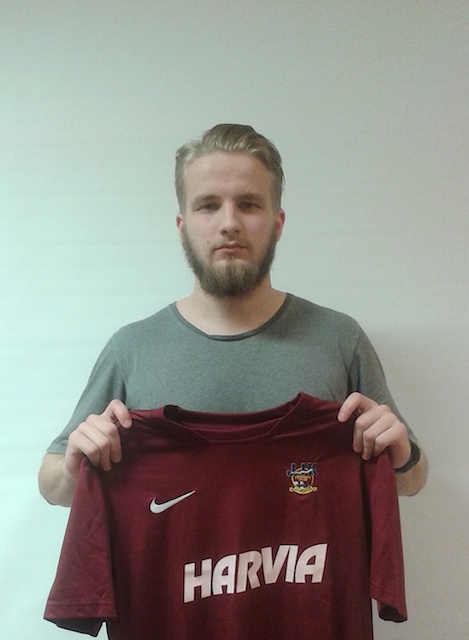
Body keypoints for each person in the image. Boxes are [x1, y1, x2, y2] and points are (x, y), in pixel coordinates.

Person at [38, 123, 428, 507]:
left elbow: (412, 479)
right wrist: (73, 468)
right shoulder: (132, 349)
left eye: (248, 204)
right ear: (182, 226)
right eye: (208, 206)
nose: (229, 224)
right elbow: (52, 486)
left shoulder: (339, 338)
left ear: (277, 223)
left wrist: (403, 456)